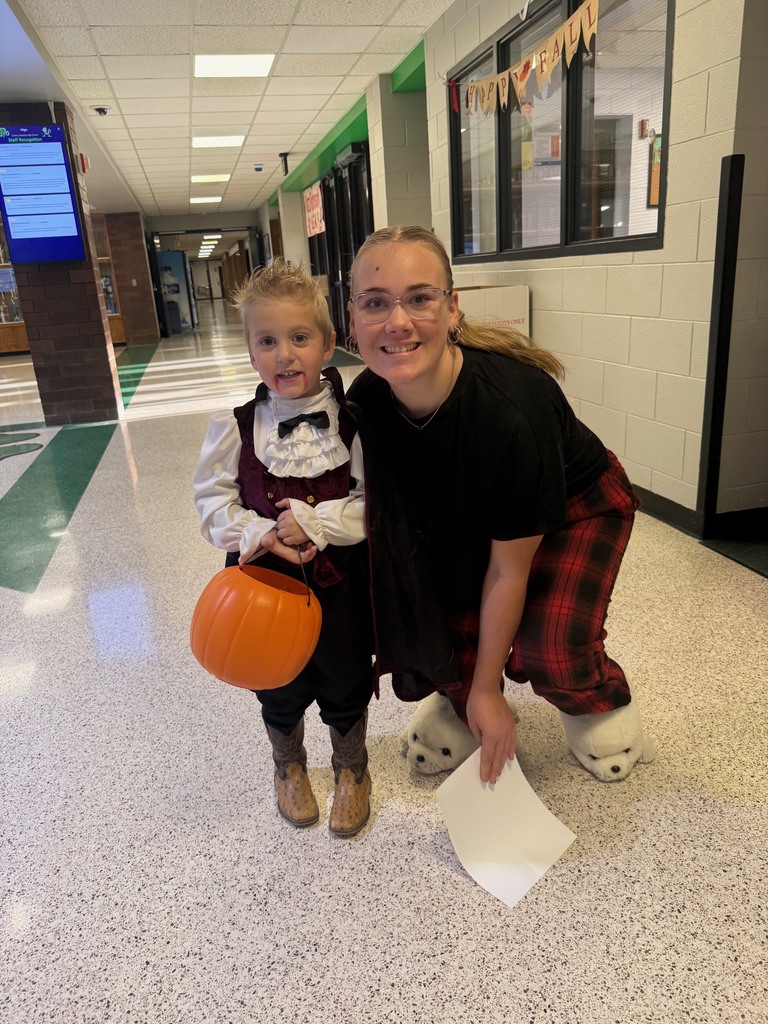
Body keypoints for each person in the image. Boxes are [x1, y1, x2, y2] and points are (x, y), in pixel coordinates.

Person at [346, 225, 651, 786]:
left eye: (420, 298)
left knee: (550, 645)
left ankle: (599, 703)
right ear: (352, 321)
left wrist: (487, 687)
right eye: (375, 303)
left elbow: (508, 571)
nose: (398, 321)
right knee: (431, 608)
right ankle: (458, 701)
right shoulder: (364, 403)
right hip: (469, 516)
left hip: (576, 507)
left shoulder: (513, 413)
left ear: (453, 309)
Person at [194, 259, 373, 836]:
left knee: (345, 675)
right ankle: (288, 764)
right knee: (276, 679)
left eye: (299, 338)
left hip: (341, 580)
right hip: (262, 587)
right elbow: (213, 503)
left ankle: (352, 768)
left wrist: (320, 522)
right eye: (267, 341)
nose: (284, 355)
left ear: (327, 344)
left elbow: (376, 505)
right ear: (250, 353)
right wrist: (259, 532)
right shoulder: (235, 426)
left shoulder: (354, 424)